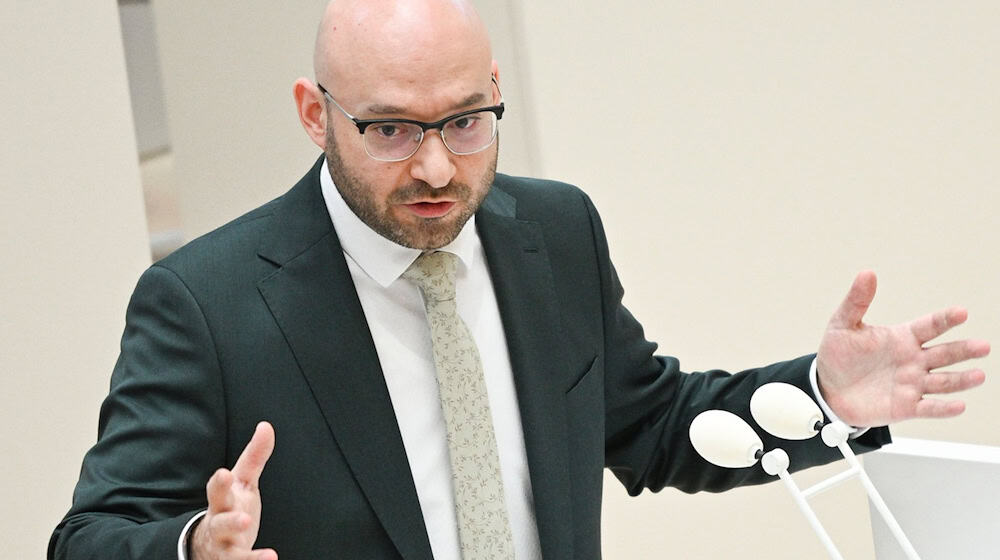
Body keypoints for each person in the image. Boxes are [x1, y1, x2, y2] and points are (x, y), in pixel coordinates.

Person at [49, 1, 989, 559]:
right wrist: (190, 546)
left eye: (466, 121)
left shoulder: (555, 230)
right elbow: (89, 537)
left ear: (496, 86)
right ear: (314, 114)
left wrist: (822, 396)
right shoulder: (207, 303)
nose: (433, 169)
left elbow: (651, 427)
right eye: (388, 130)